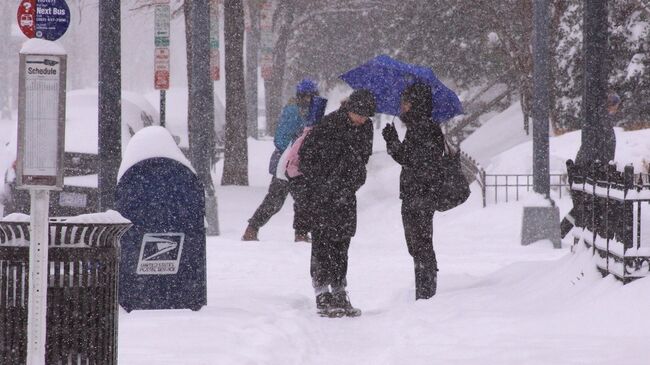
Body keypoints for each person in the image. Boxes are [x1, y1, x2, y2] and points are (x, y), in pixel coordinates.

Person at [299, 89, 376, 317]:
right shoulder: (329, 124)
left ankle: (340, 290)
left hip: (346, 194)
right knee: (323, 242)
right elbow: (307, 156)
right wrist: (323, 182)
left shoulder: (366, 127)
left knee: (342, 242)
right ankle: (322, 292)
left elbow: (363, 158)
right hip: (323, 194)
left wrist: (353, 180)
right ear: (350, 109)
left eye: (366, 116)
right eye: (359, 115)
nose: (362, 120)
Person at [382, 82, 445, 300]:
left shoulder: (423, 128)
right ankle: (425, 289)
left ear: (416, 104)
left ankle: (426, 292)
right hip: (419, 193)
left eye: (406, 103)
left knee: (419, 244)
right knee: (419, 244)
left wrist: (392, 142)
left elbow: (409, 159)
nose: (402, 107)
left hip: (420, 194)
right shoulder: (423, 126)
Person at [242, 79, 318, 242]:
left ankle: (300, 233)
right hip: (286, 164)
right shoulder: (293, 112)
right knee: (279, 201)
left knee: (300, 201)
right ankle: (253, 229)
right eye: (309, 96)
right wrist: (295, 152)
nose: (310, 100)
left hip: (298, 165)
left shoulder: (310, 114)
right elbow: (281, 139)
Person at [561, 92, 621, 238]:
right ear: (611, 105)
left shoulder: (599, 120)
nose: (617, 109)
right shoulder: (602, 122)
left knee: (583, 205)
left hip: (588, 166)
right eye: (616, 106)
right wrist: (603, 165)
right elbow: (602, 146)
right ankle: (567, 232)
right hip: (592, 168)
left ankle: (565, 231)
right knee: (585, 205)